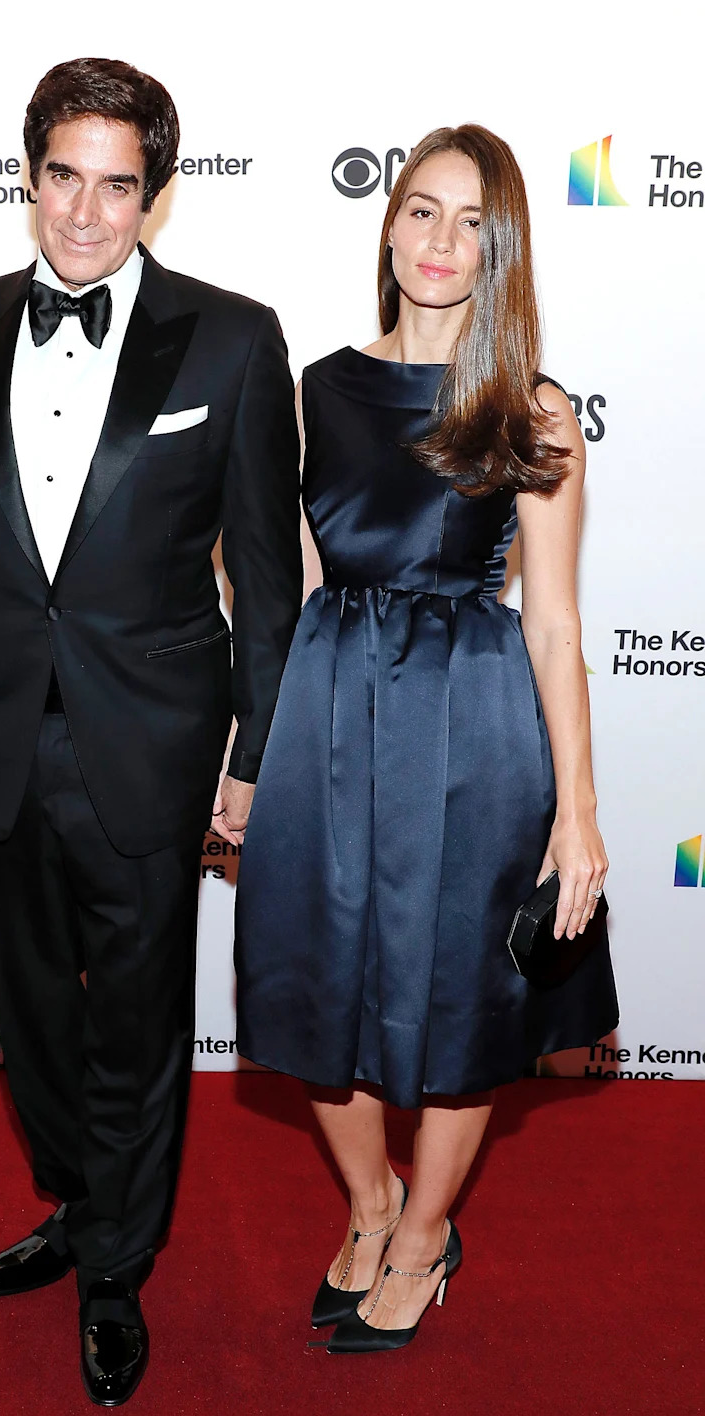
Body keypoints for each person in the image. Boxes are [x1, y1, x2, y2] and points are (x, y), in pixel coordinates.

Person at [0, 57, 301, 1405]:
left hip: (155, 742)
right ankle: (76, 1194)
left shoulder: (232, 338)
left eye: (117, 186)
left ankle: (117, 1259)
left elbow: (266, 581)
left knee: (141, 1020)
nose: (84, 212)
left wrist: (255, 753)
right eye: (64, 176)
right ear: (30, 174)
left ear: (154, 195)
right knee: (32, 1014)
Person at [235, 125, 618, 1354]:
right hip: (327, 709)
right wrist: (252, 740)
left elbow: (553, 621)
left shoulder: (533, 409)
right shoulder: (318, 387)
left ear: (501, 251)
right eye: (421, 210)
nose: (441, 241)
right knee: (315, 981)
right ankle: (369, 1201)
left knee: (459, 1004)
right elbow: (293, 577)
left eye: (472, 223)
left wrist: (578, 811)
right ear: (388, 223)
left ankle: (423, 1234)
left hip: (468, 725)